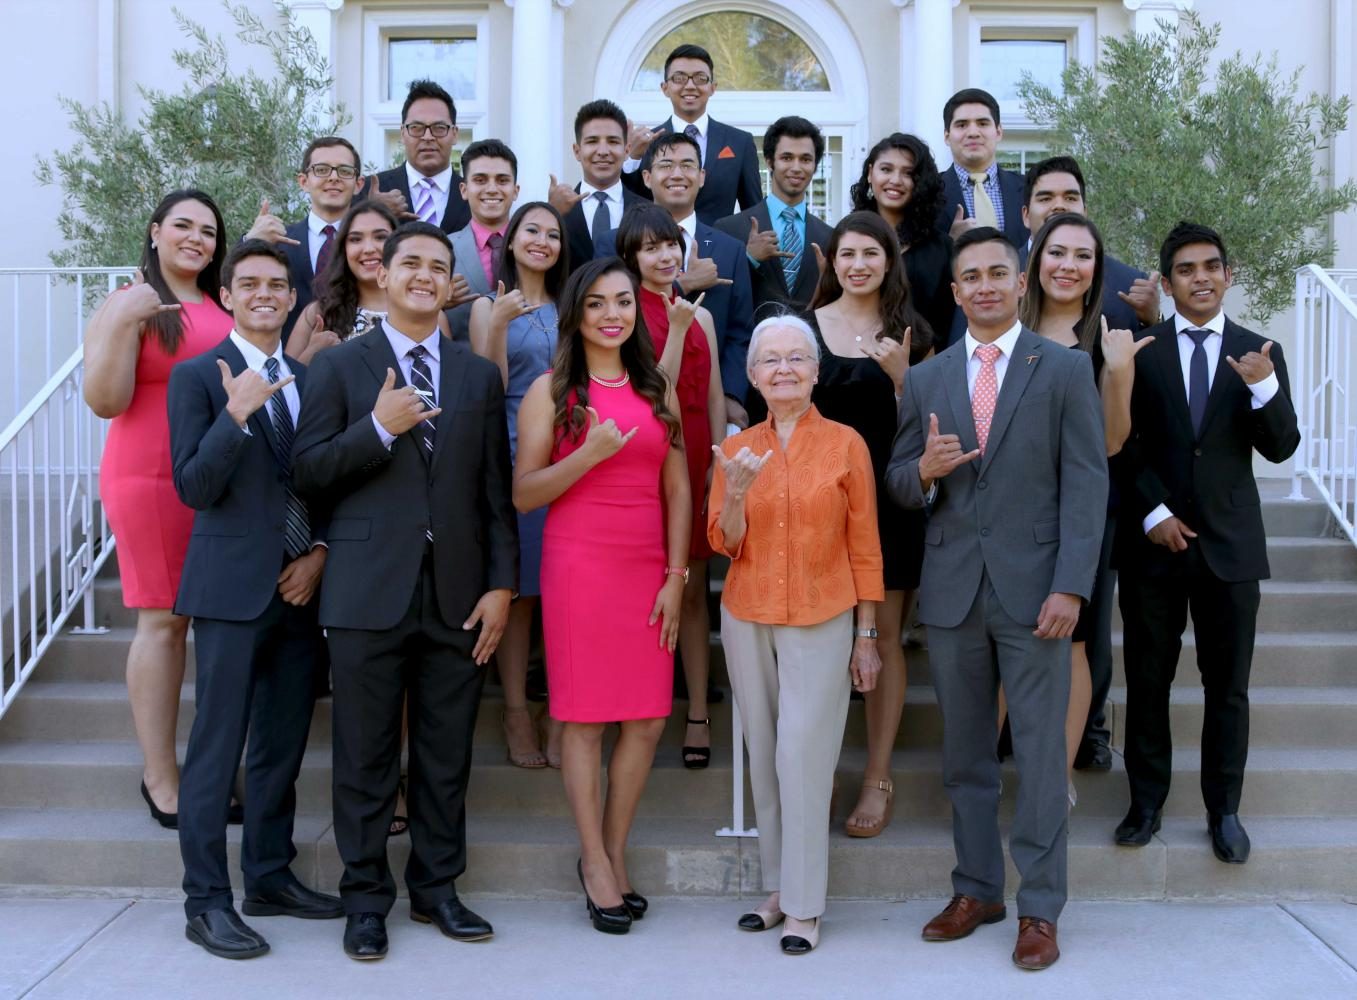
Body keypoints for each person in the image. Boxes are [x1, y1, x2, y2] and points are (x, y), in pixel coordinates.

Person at [292, 221, 517, 961]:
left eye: (437, 265)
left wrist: (500, 587)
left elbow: (494, 493)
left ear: (451, 282)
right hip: (364, 590)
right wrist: (379, 431)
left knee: (445, 751)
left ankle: (437, 888)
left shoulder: (476, 375)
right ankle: (365, 899)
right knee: (363, 753)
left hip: (455, 592)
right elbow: (309, 472)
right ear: (383, 275)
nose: (423, 274)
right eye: (410, 262)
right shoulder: (337, 367)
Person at [885, 227, 1107, 971]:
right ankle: (976, 888)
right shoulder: (927, 378)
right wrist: (923, 469)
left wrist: (1071, 584)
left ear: (1020, 284)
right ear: (952, 292)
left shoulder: (1066, 370)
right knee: (965, 756)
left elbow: (1086, 484)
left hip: (1037, 592)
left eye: (995, 273)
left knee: (1041, 757)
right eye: (968, 276)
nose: (982, 285)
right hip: (951, 597)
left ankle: (1039, 907)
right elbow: (897, 484)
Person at [168, 240, 343, 959]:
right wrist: (234, 415)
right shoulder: (198, 380)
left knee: (280, 747)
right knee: (217, 752)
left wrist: (321, 556)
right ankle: (206, 900)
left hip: (299, 591)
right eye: (250, 284)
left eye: (278, 283)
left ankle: (269, 876)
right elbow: (193, 488)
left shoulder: (310, 376)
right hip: (230, 592)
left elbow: (330, 481)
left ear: (293, 297)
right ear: (230, 296)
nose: (266, 293)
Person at [512, 256, 691, 934]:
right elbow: (524, 493)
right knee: (585, 721)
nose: (611, 313)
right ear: (576, 315)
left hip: (648, 567)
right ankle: (592, 861)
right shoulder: (548, 392)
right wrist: (585, 455)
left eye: (622, 301)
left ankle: (614, 850)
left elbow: (678, 491)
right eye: (595, 303)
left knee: (645, 720)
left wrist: (676, 580)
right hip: (578, 567)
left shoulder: (656, 391)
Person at [1114, 222, 1299, 865]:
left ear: (1229, 274)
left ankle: (1225, 812)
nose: (1201, 277)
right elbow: (1123, 447)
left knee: (1229, 688)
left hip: (1230, 547)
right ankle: (1145, 804)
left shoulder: (1259, 350)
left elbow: (1281, 446)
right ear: (1166, 284)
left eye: (1211, 266)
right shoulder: (1141, 350)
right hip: (1154, 545)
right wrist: (1152, 513)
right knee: (1148, 681)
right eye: (1186, 269)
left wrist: (1264, 386)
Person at [709, 315, 884, 955]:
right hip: (749, 612)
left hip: (824, 615)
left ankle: (806, 907)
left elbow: (865, 545)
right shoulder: (734, 448)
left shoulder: (846, 445)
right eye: (770, 360)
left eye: (796, 359)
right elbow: (723, 543)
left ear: (815, 371)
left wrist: (868, 633)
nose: (783, 369)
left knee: (803, 759)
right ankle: (781, 888)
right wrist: (735, 493)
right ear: (752, 376)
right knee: (765, 756)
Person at [83, 189, 234, 831]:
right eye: (183, 226)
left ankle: (208, 769)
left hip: (218, 476)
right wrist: (125, 320)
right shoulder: (128, 300)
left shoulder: (221, 305)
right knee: (163, 623)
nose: (196, 238)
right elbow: (104, 399)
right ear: (154, 232)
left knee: (215, 626)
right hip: (149, 476)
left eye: (207, 230)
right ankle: (160, 775)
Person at [805, 211, 933, 838]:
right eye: (847, 254)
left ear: (890, 262)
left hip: (889, 503)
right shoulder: (802, 328)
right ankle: (820, 769)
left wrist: (904, 380)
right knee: (823, 645)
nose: (858, 264)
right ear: (832, 262)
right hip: (817, 506)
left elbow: (933, 428)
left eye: (871, 254)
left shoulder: (913, 332)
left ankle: (877, 775)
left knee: (882, 639)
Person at [1012, 212, 1146, 802]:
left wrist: (1118, 375)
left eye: (1082, 257)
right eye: (1057, 253)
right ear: (1036, 259)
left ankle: (1055, 775)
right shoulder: (1001, 328)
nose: (1068, 266)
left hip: (1082, 510)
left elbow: (1113, 442)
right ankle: (989, 770)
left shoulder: (1109, 337)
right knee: (1006, 636)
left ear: (1097, 269)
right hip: (1007, 505)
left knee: (1074, 643)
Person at [618, 204, 725, 768]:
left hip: (696, 460)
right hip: (647, 462)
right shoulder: (622, 312)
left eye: (670, 246)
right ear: (632, 257)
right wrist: (677, 329)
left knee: (693, 589)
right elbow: (651, 391)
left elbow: (710, 396)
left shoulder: (700, 314)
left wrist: (716, 467)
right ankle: (640, 705)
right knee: (644, 589)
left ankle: (699, 712)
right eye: (651, 248)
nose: (664, 256)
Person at [468, 201, 570, 769]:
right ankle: (513, 711)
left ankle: (560, 711)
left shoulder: (571, 306)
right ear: (510, 240)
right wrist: (502, 324)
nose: (542, 241)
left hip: (572, 458)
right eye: (532, 230)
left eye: (552, 234)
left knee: (563, 593)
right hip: (513, 457)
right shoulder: (489, 306)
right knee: (521, 593)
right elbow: (489, 385)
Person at [598, 133, 755, 425]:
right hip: (635, 401)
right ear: (646, 177)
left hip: (708, 404)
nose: (677, 174)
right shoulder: (613, 243)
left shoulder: (730, 249)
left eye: (687, 165)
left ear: (702, 176)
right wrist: (686, 283)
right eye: (666, 165)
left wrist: (730, 396)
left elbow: (740, 332)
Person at [243, 136, 366, 346]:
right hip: (287, 364)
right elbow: (232, 285)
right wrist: (250, 240)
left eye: (344, 171)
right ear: (303, 181)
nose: (333, 178)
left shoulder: (372, 247)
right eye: (322, 169)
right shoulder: (277, 241)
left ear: (358, 184)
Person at [621, 44, 762, 225]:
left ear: (712, 87)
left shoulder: (739, 142)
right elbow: (629, 204)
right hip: (658, 246)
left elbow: (753, 210)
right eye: (679, 78)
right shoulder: (645, 143)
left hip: (718, 249)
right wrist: (632, 158)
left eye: (700, 78)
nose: (689, 86)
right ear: (665, 88)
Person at [714, 116, 832, 316]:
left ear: (815, 165)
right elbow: (717, 295)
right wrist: (749, 258)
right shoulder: (729, 228)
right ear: (769, 162)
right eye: (787, 158)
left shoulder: (830, 237)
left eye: (805, 159)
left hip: (810, 344)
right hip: (750, 344)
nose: (796, 167)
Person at [851, 132, 956, 354]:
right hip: (856, 362)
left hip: (924, 370)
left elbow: (948, 321)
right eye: (886, 169)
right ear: (870, 173)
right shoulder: (848, 238)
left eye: (908, 173)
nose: (895, 180)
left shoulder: (942, 248)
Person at [548, 99, 646, 275]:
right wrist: (551, 213)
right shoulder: (557, 212)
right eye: (592, 141)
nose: (602, 151)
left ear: (626, 150)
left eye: (613, 141)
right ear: (577, 151)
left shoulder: (647, 211)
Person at [367, 79, 471, 234]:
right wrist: (372, 212)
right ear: (402, 133)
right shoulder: (371, 192)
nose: (427, 137)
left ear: (454, 134)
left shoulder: (474, 195)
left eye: (439, 128)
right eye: (416, 128)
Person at [935, 89, 1027, 249]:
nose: (973, 133)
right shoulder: (927, 193)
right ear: (947, 136)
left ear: (998, 132)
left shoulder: (1028, 189)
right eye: (962, 125)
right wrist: (950, 243)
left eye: (983, 123)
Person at [450, 139, 521, 296]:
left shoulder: (535, 246)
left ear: (515, 190)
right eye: (480, 180)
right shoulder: (444, 248)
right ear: (464, 190)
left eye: (502, 181)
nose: (491, 189)